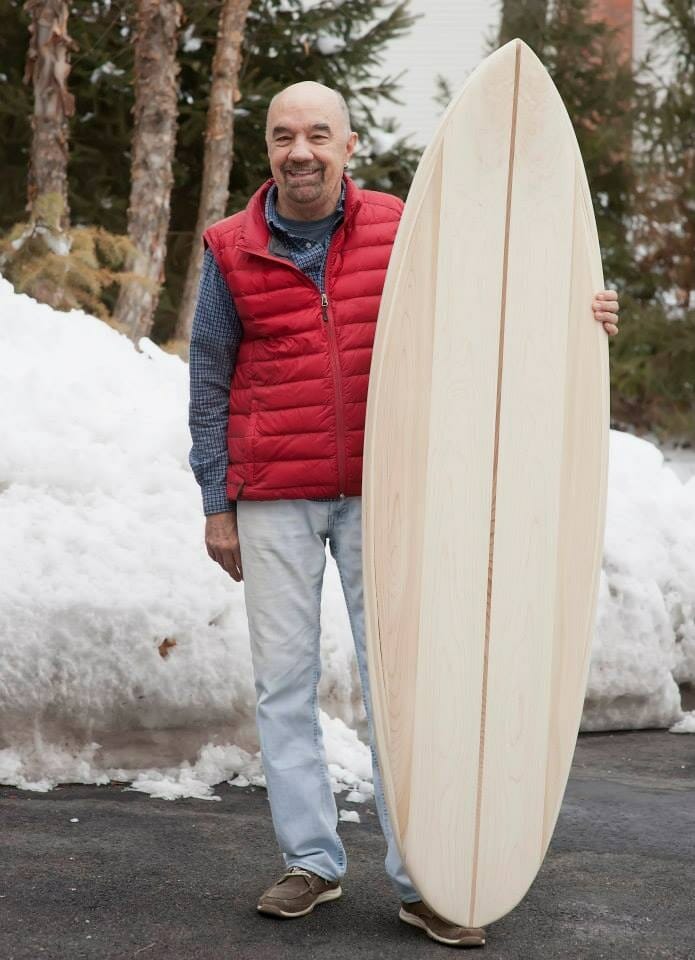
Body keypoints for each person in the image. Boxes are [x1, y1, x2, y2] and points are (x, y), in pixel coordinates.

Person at [188, 80, 621, 949]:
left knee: (409, 684)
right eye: (283, 136)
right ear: (265, 149)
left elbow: (495, 306)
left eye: (318, 134)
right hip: (274, 490)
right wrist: (216, 500)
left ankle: (426, 874)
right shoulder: (231, 247)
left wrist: (580, 312)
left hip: (392, 491)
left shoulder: (403, 227)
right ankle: (310, 860)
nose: (299, 150)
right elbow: (207, 373)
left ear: (349, 146)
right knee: (282, 684)